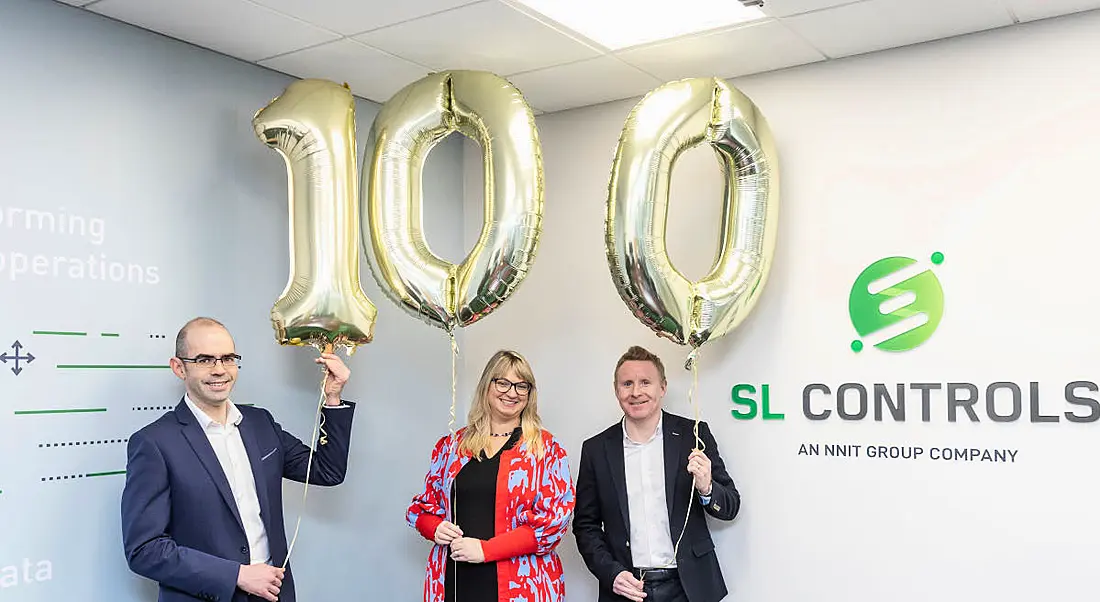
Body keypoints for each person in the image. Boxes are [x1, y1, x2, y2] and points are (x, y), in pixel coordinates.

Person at [121, 317, 357, 602]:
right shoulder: (155, 443)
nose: (219, 370)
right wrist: (237, 575)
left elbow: (326, 471)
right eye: (205, 360)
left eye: (227, 358)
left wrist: (333, 398)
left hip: (272, 595)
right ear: (179, 367)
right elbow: (144, 549)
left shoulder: (261, 423)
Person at [574, 345, 740, 602]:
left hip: (689, 588)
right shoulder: (596, 449)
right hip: (628, 588)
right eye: (627, 383)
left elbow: (730, 507)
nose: (636, 392)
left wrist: (707, 488)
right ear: (616, 390)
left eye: (645, 382)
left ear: (662, 388)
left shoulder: (693, 434)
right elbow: (585, 526)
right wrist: (612, 574)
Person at [407, 350, 576, 602]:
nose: (512, 392)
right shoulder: (452, 447)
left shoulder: (545, 450)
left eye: (522, 385)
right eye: (503, 382)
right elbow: (421, 510)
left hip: (522, 585)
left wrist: (486, 550)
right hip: (455, 580)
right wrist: (435, 528)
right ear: (487, 385)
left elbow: (553, 524)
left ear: (530, 394)